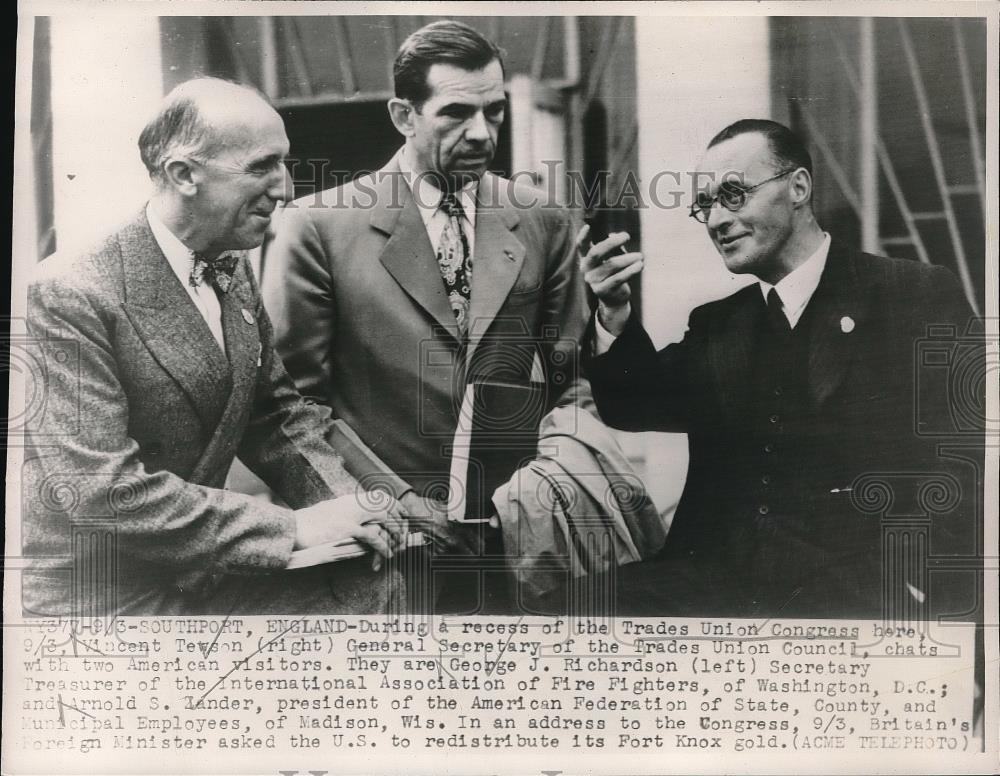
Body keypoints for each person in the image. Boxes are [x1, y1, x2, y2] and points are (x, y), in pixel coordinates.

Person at [21, 78, 408, 617]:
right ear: (184, 175)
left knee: (371, 577)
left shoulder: (228, 263)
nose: (285, 189)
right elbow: (100, 492)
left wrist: (350, 506)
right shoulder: (71, 292)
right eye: (261, 167)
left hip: (197, 572)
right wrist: (292, 527)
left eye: (283, 164)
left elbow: (274, 415)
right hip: (100, 598)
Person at [581, 119, 980, 619]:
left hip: (860, 595)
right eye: (705, 205)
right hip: (715, 584)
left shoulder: (912, 296)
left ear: (798, 187)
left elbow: (965, 463)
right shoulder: (719, 325)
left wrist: (938, 598)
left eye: (733, 194)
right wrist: (613, 311)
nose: (715, 221)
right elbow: (631, 403)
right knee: (560, 618)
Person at [263, 20, 587, 613]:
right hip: (386, 547)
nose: (482, 134)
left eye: (495, 113)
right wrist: (401, 501)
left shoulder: (542, 219)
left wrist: (533, 494)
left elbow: (569, 376)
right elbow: (294, 406)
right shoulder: (316, 227)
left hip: (522, 548)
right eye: (456, 113)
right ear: (403, 115)